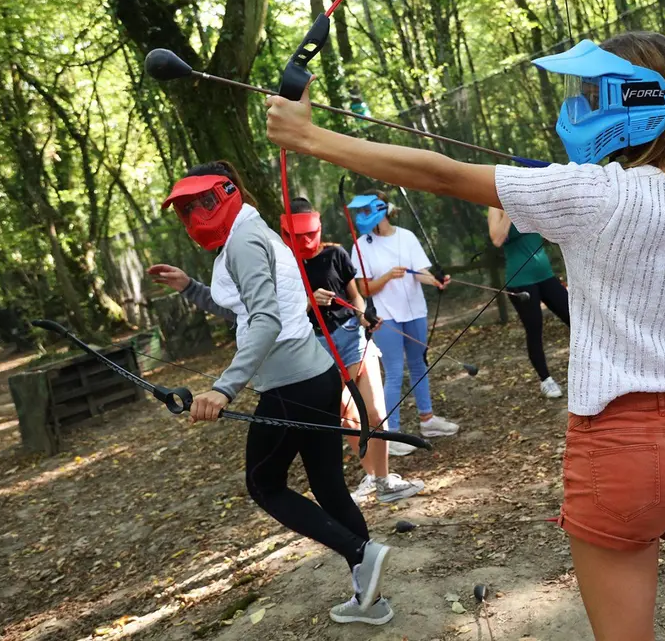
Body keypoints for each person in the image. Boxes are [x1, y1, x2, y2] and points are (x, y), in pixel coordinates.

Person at [266, 32, 665, 640]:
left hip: (618, 449)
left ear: (632, 101)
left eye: (593, 92)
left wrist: (309, 137)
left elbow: (444, 175)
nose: (581, 106)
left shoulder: (596, 195)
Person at [147, 161, 393, 626]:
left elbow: (265, 321)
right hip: (317, 376)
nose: (196, 215)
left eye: (204, 202)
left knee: (264, 483)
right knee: (327, 486)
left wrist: (223, 390)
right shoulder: (252, 231)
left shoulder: (243, 239)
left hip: (290, 384)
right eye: (186, 208)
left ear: (227, 192)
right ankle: (371, 600)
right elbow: (248, 310)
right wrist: (190, 287)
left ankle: (361, 551)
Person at [285, 196, 425, 503]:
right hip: (317, 346)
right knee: (347, 416)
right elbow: (282, 313)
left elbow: (355, 295)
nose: (307, 240)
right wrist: (309, 302)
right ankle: (372, 475)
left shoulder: (335, 253)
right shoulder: (284, 265)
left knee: (374, 412)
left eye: (311, 232)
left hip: (352, 336)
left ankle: (385, 481)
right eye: (299, 235)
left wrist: (364, 315)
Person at [345, 192, 458, 456]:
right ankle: (390, 433)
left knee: (419, 364)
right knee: (394, 371)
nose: (361, 217)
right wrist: (386, 277)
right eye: (358, 213)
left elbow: (420, 273)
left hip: (415, 311)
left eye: (365, 211)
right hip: (386, 316)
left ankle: (427, 420)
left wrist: (437, 281)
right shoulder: (361, 245)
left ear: (381, 210)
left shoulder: (406, 237)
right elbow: (364, 288)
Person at [486, 206, 569, 398]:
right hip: (520, 280)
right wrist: (508, 207)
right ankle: (545, 380)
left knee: (575, 319)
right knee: (534, 329)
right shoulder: (494, 207)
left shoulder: (527, 197)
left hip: (546, 275)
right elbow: (497, 239)